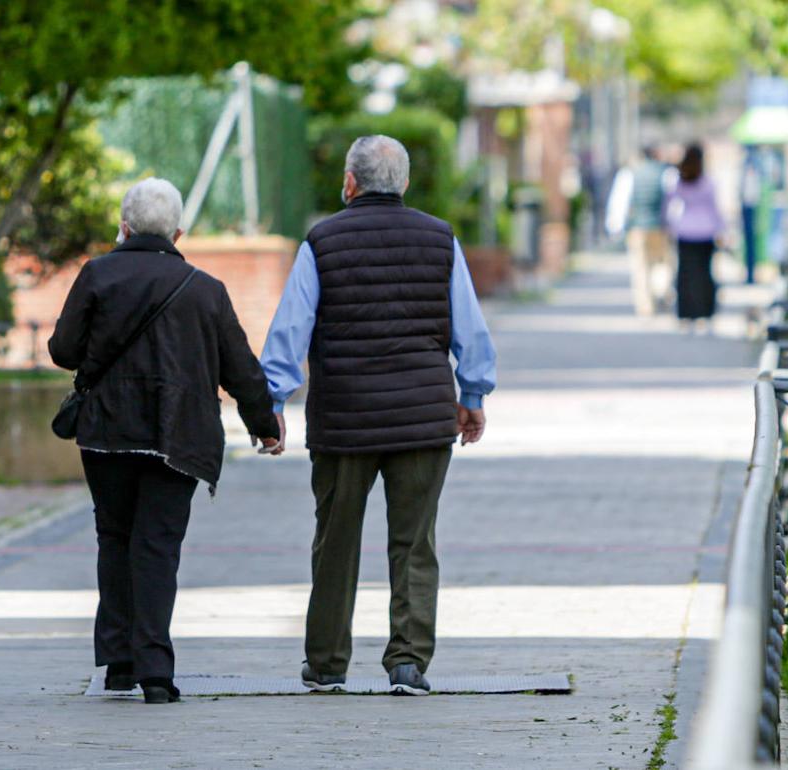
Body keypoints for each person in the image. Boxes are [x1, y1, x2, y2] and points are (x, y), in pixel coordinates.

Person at [260, 135, 497, 696]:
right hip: (422, 418)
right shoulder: (440, 240)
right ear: (405, 184)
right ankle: (408, 662)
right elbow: (470, 328)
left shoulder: (322, 242)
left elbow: (290, 330)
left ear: (349, 183)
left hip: (344, 420)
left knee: (336, 541)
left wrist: (273, 402)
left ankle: (326, 663)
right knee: (415, 543)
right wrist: (474, 395)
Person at [49, 178, 280, 704]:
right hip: (179, 437)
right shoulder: (205, 289)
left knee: (115, 538)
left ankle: (118, 663)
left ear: (123, 227)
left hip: (106, 433)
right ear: (179, 232)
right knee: (158, 547)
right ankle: (156, 672)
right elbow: (240, 368)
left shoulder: (97, 275)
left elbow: (64, 350)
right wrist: (263, 422)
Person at [666, 143, 724, 329]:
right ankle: (704, 311)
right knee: (703, 273)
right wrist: (722, 229)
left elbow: (668, 203)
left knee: (686, 273)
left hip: (685, 230)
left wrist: (669, 225)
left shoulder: (679, 180)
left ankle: (686, 311)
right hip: (705, 232)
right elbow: (715, 209)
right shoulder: (707, 182)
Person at [625, 145, 673, 315]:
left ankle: (645, 304)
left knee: (640, 267)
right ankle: (660, 291)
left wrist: (617, 226)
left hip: (637, 227)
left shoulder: (631, 173)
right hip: (660, 226)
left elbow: (622, 201)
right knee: (661, 263)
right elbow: (671, 201)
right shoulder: (665, 173)